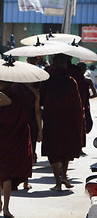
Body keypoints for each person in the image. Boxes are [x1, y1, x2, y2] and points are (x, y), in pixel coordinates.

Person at [0, 80, 33, 218]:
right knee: (8, 173)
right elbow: (24, 121)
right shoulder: (17, 100)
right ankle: (5, 207)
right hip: (15, 139)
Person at [40, 53, 83, 191]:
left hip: (52, 120)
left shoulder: (48, 80)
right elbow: (77, 104)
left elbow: (40, 99)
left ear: (53, 64)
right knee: (66, 149)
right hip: (69, 120)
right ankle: (64, 175)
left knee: (53, 151)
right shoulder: (71, 81)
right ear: (65, 64)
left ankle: (58, 182)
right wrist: (79, 122)